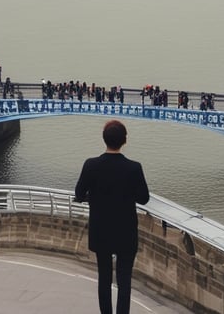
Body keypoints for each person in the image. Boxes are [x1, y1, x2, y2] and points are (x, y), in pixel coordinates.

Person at [75, 119, 150, 314]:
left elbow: (79, 193)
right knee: (124, 281)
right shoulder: (134, 168)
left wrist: (93, 196)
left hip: (101, 231)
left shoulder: (91, 165)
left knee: (104, 278)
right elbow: (144, 198)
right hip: (126, 231)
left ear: (104, 139)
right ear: (124, 140)